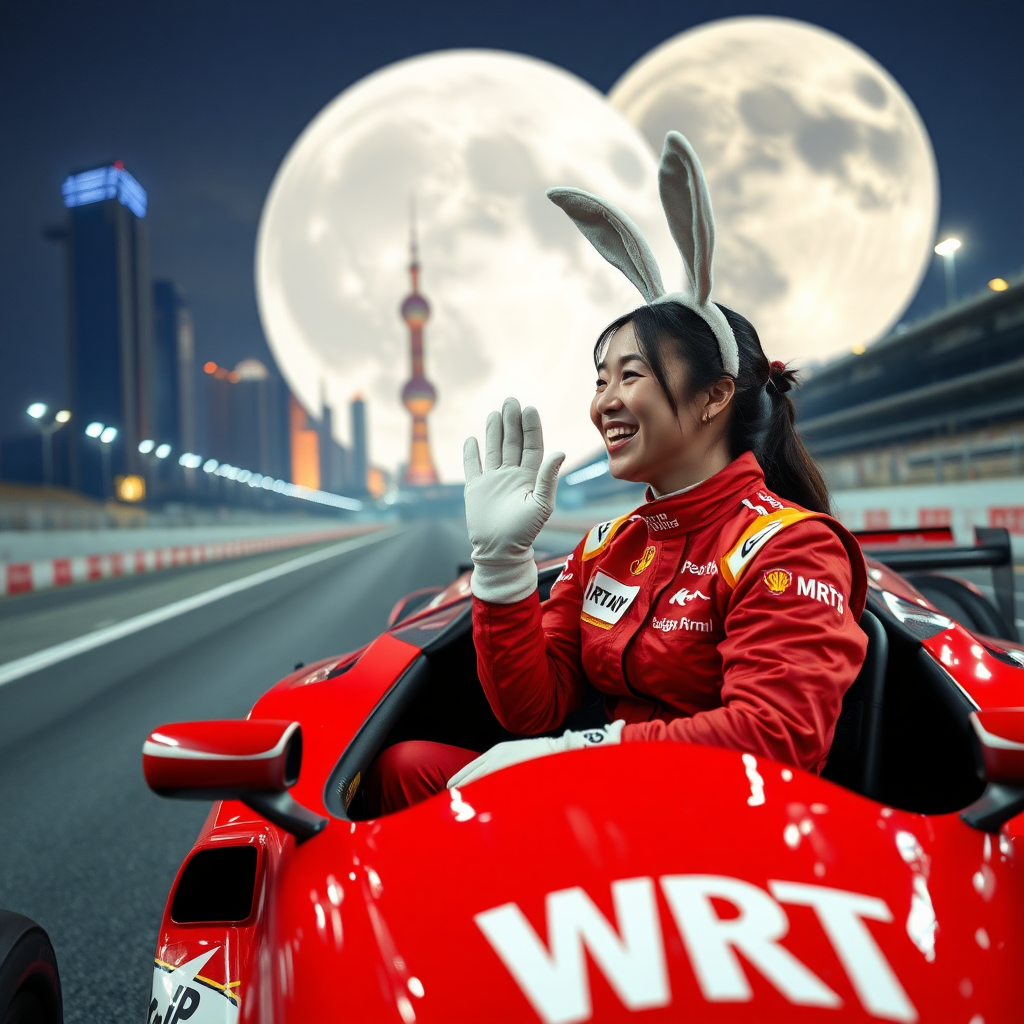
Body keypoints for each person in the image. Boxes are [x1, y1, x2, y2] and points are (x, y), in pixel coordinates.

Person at [364, 131, 868, 815]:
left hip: (723, 828)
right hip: (612, 803)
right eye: (600, 380)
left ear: (715, 395)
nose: (604, 403)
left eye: (630, 376)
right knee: (408, 770)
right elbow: (529, 709)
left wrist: (577, 754)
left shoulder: (789, 545)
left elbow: (776, 740)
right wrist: (502, 567)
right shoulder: (610, 547)